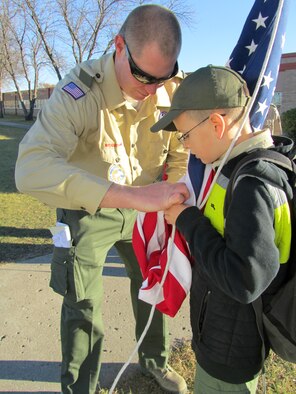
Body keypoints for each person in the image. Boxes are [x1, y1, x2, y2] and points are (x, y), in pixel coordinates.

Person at [15, 5, 190, 394]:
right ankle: (81, 387)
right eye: (144, 76)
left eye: (164, 77)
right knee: (82, 304)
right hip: (88, 211)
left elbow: (181, 149)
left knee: (153, 285)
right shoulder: (77, 92)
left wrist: (172, 190)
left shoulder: (171, 86)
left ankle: (155, 362)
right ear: (119, 46)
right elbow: (29, 169)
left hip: (151, 208)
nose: (153, 89)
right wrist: (131, 196)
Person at [151, 65, 293, 394]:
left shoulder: (252, 182)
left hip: (231, 353)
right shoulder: (234, 168)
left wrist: (188, 221)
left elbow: (244, 280)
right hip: (222, 337)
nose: (185, 146)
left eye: (185, 135)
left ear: (216, 124)